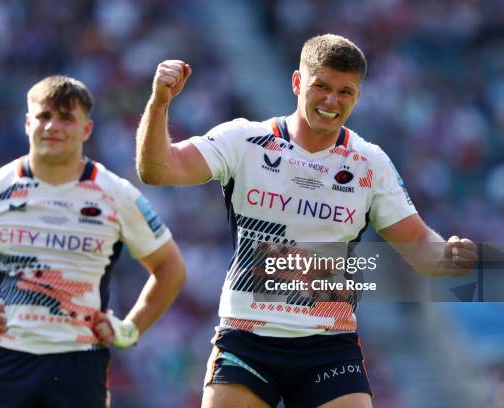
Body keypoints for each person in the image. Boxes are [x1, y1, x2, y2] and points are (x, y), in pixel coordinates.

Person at [136, 34, 477, 408]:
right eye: (322, 87)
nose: (332, 101)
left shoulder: (369, 163)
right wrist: (159, 102)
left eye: (345, 92)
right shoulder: (245, 140)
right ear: (298, 83)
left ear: (358, 96)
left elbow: (422, 250)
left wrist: (450, 256)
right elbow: (157, 169)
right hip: (249, 335)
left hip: (329, 344)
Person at [0, 75, 186, 408]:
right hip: (8, 359)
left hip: (80, 361)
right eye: (44, 116)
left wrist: (129, 329)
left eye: (65, 118)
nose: (52, 127)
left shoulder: (116, 194)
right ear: (28, 123)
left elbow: (170, 268)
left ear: (86, 130)